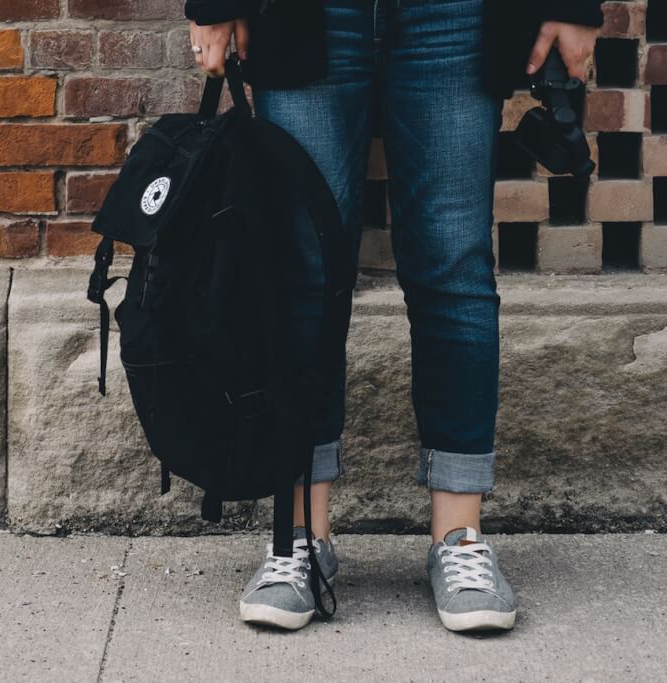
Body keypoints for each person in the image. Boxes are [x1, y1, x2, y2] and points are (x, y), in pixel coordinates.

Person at [184, 0, 603, 632]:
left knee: (454, 265)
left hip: (455, 14)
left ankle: (460, 538)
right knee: (305, 271)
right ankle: (299, 538)